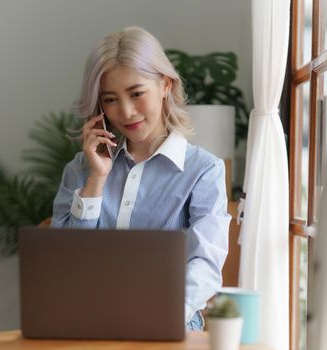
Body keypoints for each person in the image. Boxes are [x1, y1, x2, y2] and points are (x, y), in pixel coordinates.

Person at [52, 26, 231, 331]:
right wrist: (96, 179)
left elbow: (205, 266)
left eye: (136, 94)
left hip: (167, 327)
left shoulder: (204, 170)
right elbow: (64, 262)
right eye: (110, 99)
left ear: (165, 85)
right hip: (89, 328)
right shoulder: (81, 169)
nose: (126, 111)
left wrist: (158, 315)